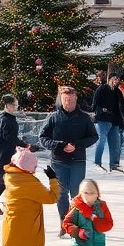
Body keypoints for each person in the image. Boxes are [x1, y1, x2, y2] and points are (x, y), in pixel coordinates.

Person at [40, 86, 99, 226]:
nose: (69, 102)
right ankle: (64, 221)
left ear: (76, 99)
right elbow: (43, 138)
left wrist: (77, 145)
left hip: (77, 161)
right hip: (58, 161)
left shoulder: (84, 118)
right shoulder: (53, 118)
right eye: (66, 99)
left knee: (77, 193)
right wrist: (59, 145)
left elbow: (93, 137)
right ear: (61, 99)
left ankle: (77, 221)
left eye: (71, 99)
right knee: (60, 194)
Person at [91, 73, 124, 172]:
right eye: (114, 79)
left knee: (115, 143)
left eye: (117, 79)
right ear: (109, 79)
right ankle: (97, 163)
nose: (115, 81)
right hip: (102, 119)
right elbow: (95, 104)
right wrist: (101, 110)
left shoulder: (117, 92)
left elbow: (121, 106)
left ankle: (114, 164)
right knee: (101, 140)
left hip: (114, 121)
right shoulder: (102, 89)